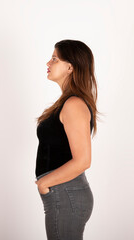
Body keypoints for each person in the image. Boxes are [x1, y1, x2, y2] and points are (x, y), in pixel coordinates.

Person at [34, 39, 99, 240]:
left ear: (70, 67)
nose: (48, 63)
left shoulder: (73, 104)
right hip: (64, 191)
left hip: (66, 192)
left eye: (54, 59)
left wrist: (44, 183)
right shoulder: (67, 102)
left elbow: (83, 161)